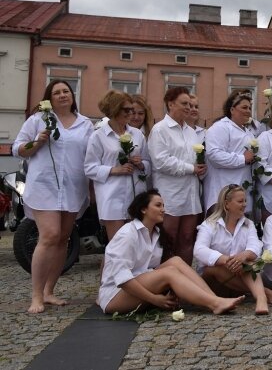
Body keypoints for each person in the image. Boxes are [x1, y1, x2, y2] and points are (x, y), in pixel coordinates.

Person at [12, 79, 94, 313]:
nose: (62, 95)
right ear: (49, 98)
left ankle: (49, 291)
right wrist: (37, 141)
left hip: (73, 186)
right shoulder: (37, 120)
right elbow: (17, 148)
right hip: (44, 185)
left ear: (72, 95)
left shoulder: (86, 124)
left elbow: (91, 155)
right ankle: (36, 295)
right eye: (56, 92)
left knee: (63, 239)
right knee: (49, 235)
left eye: (66, 91)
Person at [98, 190, 244, 315]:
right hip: (115, 295)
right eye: (157, 205)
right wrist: (154, 299)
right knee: (169, 272)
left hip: (139, 282)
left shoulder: (155, 233)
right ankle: (215, 303)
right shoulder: (127, 234)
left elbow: (149, 270)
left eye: (163, 205)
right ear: (143, 209)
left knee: (176, 262)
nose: (163, 209)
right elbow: (123, 280)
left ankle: (213, 299)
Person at [194, 185, 272, 314]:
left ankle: (261, 299)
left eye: (245, 201)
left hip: (237, 280)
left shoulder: (248, 224)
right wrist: (225, 260)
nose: (244, 204)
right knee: (214, 268)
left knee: (249, 262)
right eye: (240, 201)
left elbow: (256, 246)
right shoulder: (210, 224)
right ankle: (265, 292)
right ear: (227, 204)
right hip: (212, 284)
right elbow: (199, 250)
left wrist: (243, 256)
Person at [148, 87, 204, 265]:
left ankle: (185, 281)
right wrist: (191, 168)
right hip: (170, 192)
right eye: (184, 103)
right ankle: (165, 282)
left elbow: (196, 159)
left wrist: (201, 168)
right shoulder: (160, 130)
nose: (188, 107)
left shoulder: (191, 132)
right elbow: (160, 161)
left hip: (190, 192)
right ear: (170, 104)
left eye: (190, 104)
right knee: (168, 238)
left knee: (187, 238)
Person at [85, 90, 151, 241]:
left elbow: (148, 164)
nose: (131, 114)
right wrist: (115, 170)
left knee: (135, 246)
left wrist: (140, 164)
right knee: (117, 247)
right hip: (112, 196)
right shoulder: (98, 136)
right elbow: (89, 168)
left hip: (136, 196)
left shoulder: (137, 135)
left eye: (132, 110)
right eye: (126, 110)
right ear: (114, 110)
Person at [203, 91, 256, 215]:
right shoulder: (220, 127)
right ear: (232, 109)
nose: (248, 111)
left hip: (243, 192)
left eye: (249, 108)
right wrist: (242, 159)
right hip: (222, 192)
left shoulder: (248, 132)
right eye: (244, 107)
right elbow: (214, 155)